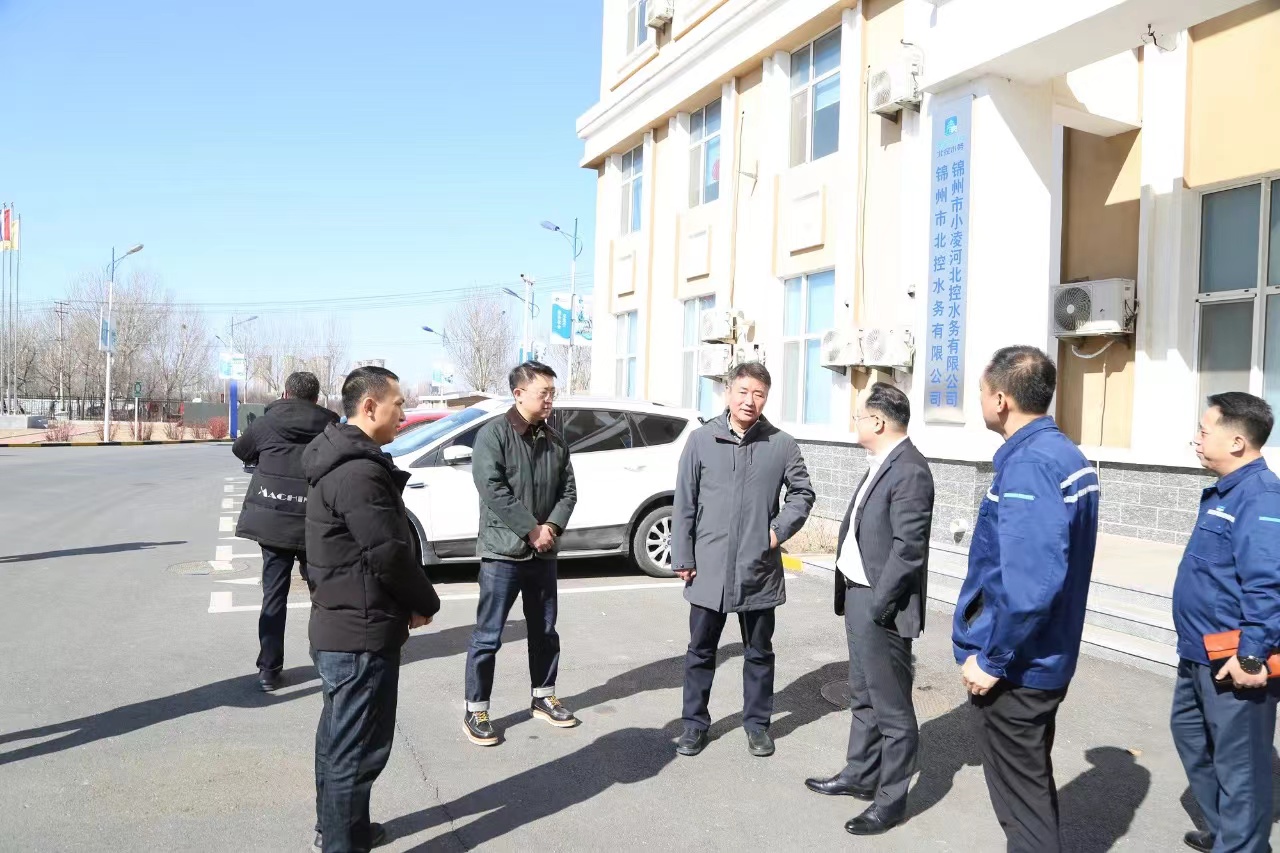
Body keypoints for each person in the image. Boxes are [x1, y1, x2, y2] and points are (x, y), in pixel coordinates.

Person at [951, 345, 1099, 853]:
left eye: (981, 393)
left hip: (1019, 666)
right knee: (1030, 792)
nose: (980, 401)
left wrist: (992, 659)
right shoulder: (1063, 453)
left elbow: (1030, 584)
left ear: (1001, 399)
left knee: (1023, 811)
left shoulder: (1031, 466)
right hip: (1042, 653)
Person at [303, 365, 440, 853]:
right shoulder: (358, 471)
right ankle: (341, 841)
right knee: (356, 752)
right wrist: (424, 601)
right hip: (359, 634)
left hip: (343, 623)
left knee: (340, 743)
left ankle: (343, 830)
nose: (403, 413)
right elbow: (387, 553)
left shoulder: (343, 458)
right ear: (369, 407)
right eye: (398, 404)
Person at [805, 382, 934, 836]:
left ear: (878, 421)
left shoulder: (910, 470)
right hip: (860, 595)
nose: (854, 423)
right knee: (862, 694)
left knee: (893, 710)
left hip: (883, 604)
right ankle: (860, 774)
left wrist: (879, 605)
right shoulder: (882, 462)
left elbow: (908, 550)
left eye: (858, 416)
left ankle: (890, 801)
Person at [672, 361, 815, 758]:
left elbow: (802, 493)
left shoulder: (781, 444)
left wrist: (777, 532)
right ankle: (694, 725)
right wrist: (683, 555)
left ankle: (757, 725)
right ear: (728, 392)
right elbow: (684, 500)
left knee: (759, 652)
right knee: (701, 651)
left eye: (759, 394)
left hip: (758, 569)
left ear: (766, 398)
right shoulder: (701, 440)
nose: (750, 401)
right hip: (709, 566)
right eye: (743, 391)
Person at [1171, 392, 1280, 853]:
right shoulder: (1227, 491)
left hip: (1235, 658)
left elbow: (1268, 584)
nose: (1196, 439)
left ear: (1237, 441)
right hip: (1199, 652)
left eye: (1204, 430)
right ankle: (1225, 835)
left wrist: (1252, 656)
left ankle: (1243, 846)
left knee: (1242, 770)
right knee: (1192, 738)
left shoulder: (1261, 497)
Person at [462, 361, 578, 746]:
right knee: (488, 636)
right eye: (544, 393)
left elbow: (568, 492)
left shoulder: (555, 440)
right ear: (519, 393)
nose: (550, 400)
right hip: (503, 553)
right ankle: (476, 709)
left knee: (544, 630)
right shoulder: (493, 435)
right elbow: (492, 488)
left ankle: (543, 697)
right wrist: (532, 529)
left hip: (543, 554)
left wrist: (551, 528)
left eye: (552, 393)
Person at [231, 371, 339, 692]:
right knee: (323, 595)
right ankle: (329, 660)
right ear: (316, 398)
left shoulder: (267, 423)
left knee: (274, 596)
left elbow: (240, 450)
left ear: (285, 394)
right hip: (314, 522)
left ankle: (269, 669)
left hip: (274, 523)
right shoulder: (331, 426)